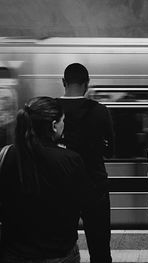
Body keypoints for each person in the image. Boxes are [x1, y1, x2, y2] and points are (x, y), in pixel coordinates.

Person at [0, 97, 90, 263]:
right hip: (59, 253)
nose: (64, 125)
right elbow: (82, 203)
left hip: (14, 253)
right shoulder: (70, 159)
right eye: (63, 121)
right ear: (54, 125)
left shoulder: (6, 155)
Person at [57, 63, 114, 263]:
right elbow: (110, 150)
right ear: (87, 84)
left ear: (63, 82)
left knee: (60, 246)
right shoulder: (100, 111)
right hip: (94, 187)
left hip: (60, 189)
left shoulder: (51, 109)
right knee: (100, 250)